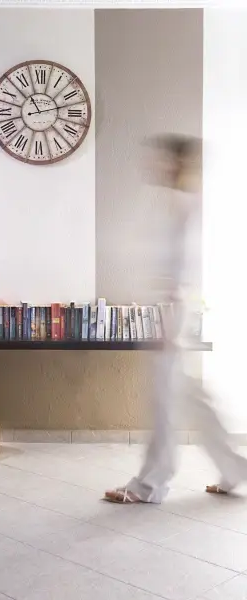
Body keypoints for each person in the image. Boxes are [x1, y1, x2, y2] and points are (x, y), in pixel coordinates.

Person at [105, 134, 247, 504]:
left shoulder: (183, 205)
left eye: (163, 159)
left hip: (172, 312)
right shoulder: (175, 202)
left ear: (178, 163)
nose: (155, 164)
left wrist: (168, 322)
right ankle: (236, 470)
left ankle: (151, 484)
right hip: (169, 310)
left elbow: (183, 267)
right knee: (192, 398)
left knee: (164, 403)